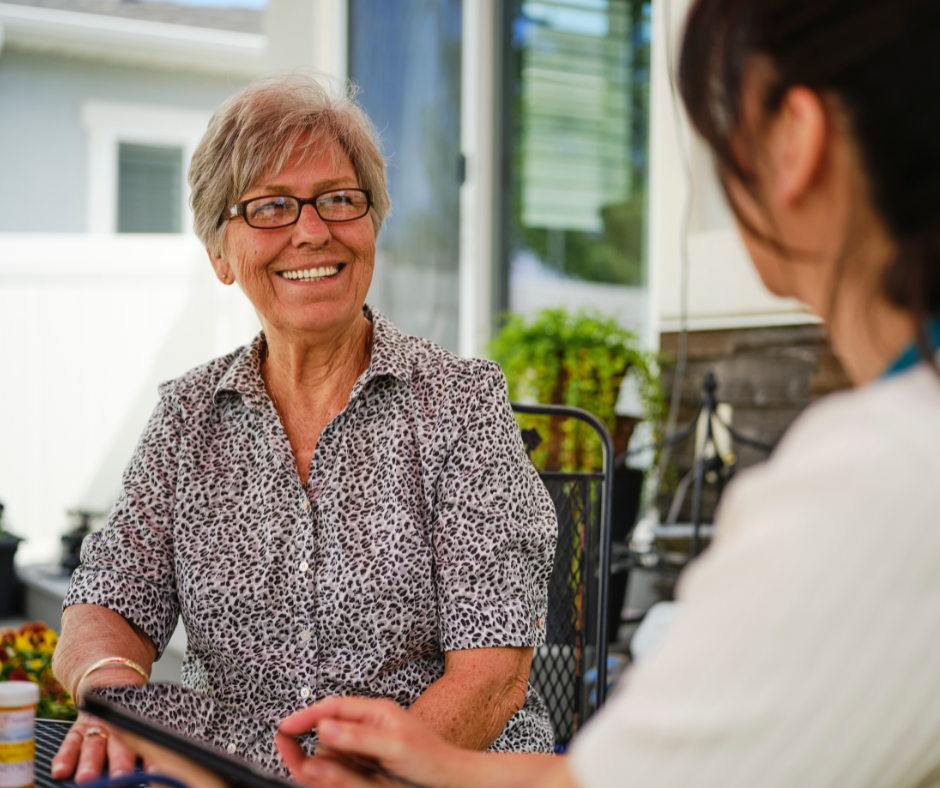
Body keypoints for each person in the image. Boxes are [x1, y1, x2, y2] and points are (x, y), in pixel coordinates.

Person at [251, 1, 940, 787]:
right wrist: (434, 765)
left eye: (715, 131)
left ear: (796, 144)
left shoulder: (878, 479)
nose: (310, 231)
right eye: (270, 208)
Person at [50, 71, 557, 783]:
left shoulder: (462, 403)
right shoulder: (188, 417)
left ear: (371, 223)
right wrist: (112, 695)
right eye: (271, 207)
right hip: (228, 771)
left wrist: (369, 773)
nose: (312, 230)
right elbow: (109, 593)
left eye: (339, 200)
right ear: (222, 257)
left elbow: (494, 671)